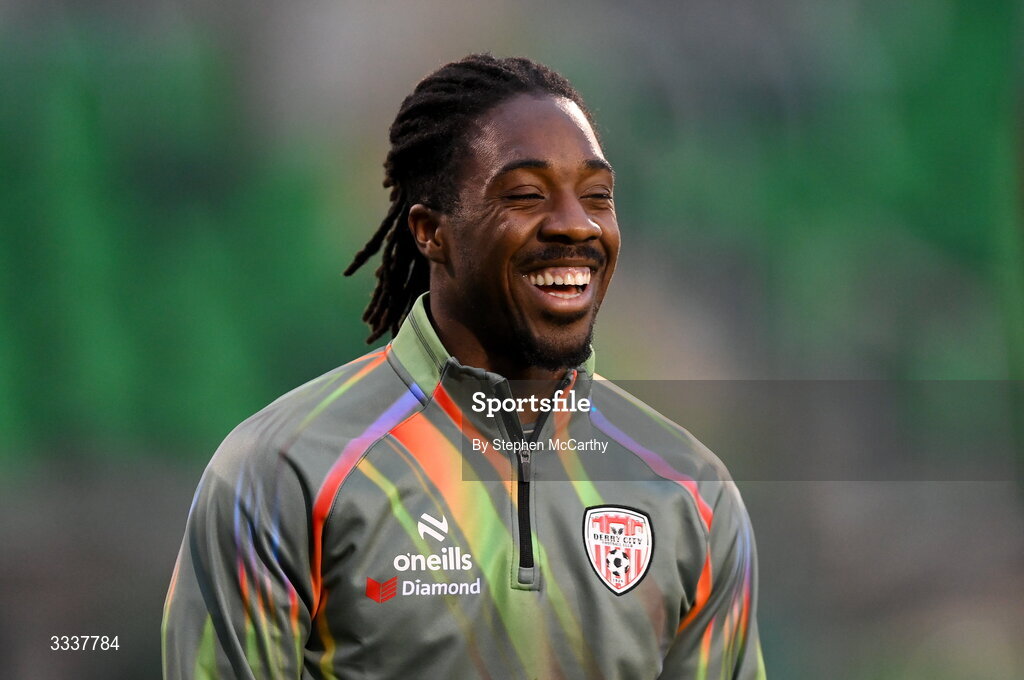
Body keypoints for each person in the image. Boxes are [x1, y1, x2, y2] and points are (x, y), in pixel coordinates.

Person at [162, 53, 765, 680]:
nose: (575, 225)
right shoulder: (281, 472)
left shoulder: (691, 492)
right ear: (430, 232)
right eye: (527, 195)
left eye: (597, 196)